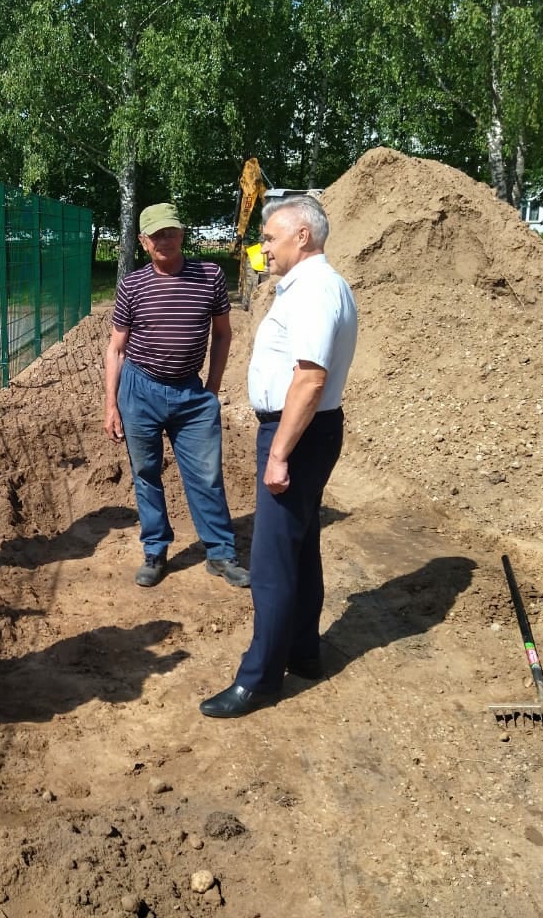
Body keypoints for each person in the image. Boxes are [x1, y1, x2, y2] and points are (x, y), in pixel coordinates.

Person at [200, 194, 358, 719]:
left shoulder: (314, 290)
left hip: (298, 433)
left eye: (269, 236)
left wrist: (279, 454)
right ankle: (303, 651)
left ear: (303, 236)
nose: (262, 245)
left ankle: (260, 678)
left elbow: (310, 379)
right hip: (306, 431)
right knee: (301, 545)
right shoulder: (310, 287)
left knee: (269, 562)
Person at [103, 201, 249, 589]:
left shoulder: (210, 276)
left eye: (171, 232)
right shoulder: (132, 285)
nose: (165, 240)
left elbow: (222, 334)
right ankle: (155, 549)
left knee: (205, 474)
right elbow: (117, 348)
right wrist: (111, 405)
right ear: (143, 241)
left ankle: (220, 552)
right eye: (156, 235)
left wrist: (212, 389)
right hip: (140, 390)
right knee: (146, 473)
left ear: (182, 234)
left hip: (190, 392)